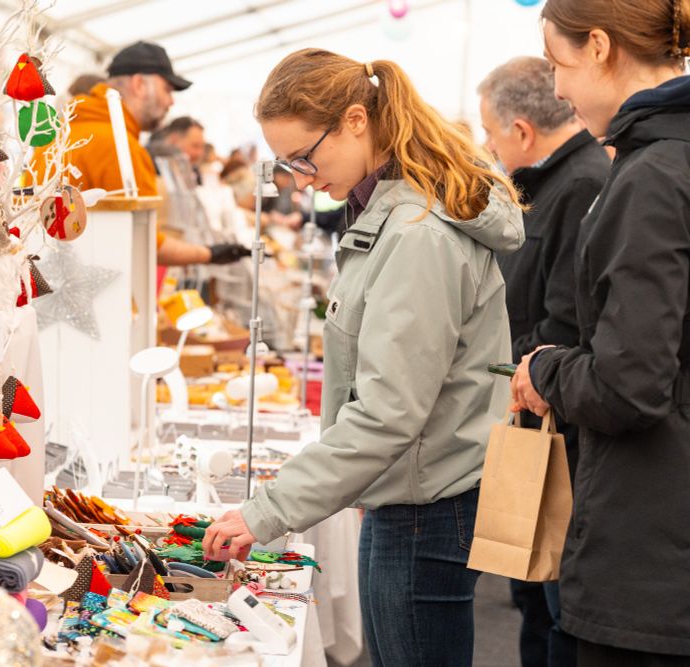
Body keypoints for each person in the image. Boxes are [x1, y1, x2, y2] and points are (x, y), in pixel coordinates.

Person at [202, 48, 524, 666]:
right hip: (414, 492)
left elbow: (389, 411)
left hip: (426, 505)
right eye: (287, 164)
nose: (301, 178)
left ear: (355, 121)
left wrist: (269, 510)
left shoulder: (414, 234)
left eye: (305, 157)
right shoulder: (392, 215)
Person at [511, 1, 690, 665]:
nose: (557, 88)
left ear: (598, 47)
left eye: (559, 65)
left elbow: (630, 383)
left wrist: (547, 367)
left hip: (650, 563)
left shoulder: (651, 177)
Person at [478, 55, 610, 667]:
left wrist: (516, 365)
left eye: (489, 131)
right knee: (537, 600)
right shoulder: (556, 183)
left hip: (560, 426)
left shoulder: (579, 184)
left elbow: (568, 320)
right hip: (544, 413)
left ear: (521, 131)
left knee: (554, 610)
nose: (487, 144)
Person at [33, 42, 247, 267]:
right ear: (139, 84)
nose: (171, 101)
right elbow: (144, 240)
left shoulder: (63, 130)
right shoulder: (120, 147)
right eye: (167, 89)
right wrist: (210, 254)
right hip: (99, 293)